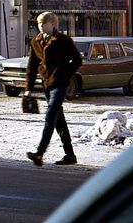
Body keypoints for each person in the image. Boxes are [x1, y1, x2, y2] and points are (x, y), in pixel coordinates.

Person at [24, 11, 82, 166]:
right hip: (47, 84)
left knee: (50, 117)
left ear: (52, 24)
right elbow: (31, 67)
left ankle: (39, 153)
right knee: (59, 121)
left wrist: (64, 74)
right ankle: (70, 155)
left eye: (44, 23)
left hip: (60, 84)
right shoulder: (36, 41)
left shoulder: (63, 40)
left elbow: (77, 60)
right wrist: (28, 88)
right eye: (38, 24)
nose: (41, 26)